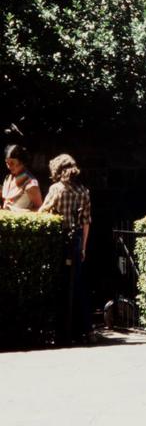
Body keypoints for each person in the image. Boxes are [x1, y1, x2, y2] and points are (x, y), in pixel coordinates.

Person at [39, 154, 92, 342]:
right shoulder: (83, 191)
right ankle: (85, 329)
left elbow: (42, 213)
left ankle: (60, 329)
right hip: (76, 241)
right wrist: (83, 247)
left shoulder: (56, 189)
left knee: (58, 284)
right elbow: (86, 222)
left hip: (59, 239)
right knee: (77, 284)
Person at [2, 144, 42, 211]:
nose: (9, 166)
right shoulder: (8, 178)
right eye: (7, 163)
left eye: (12, 163)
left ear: (22, 161)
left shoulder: (31, 183)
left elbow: (40, 209)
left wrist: (19, 211)